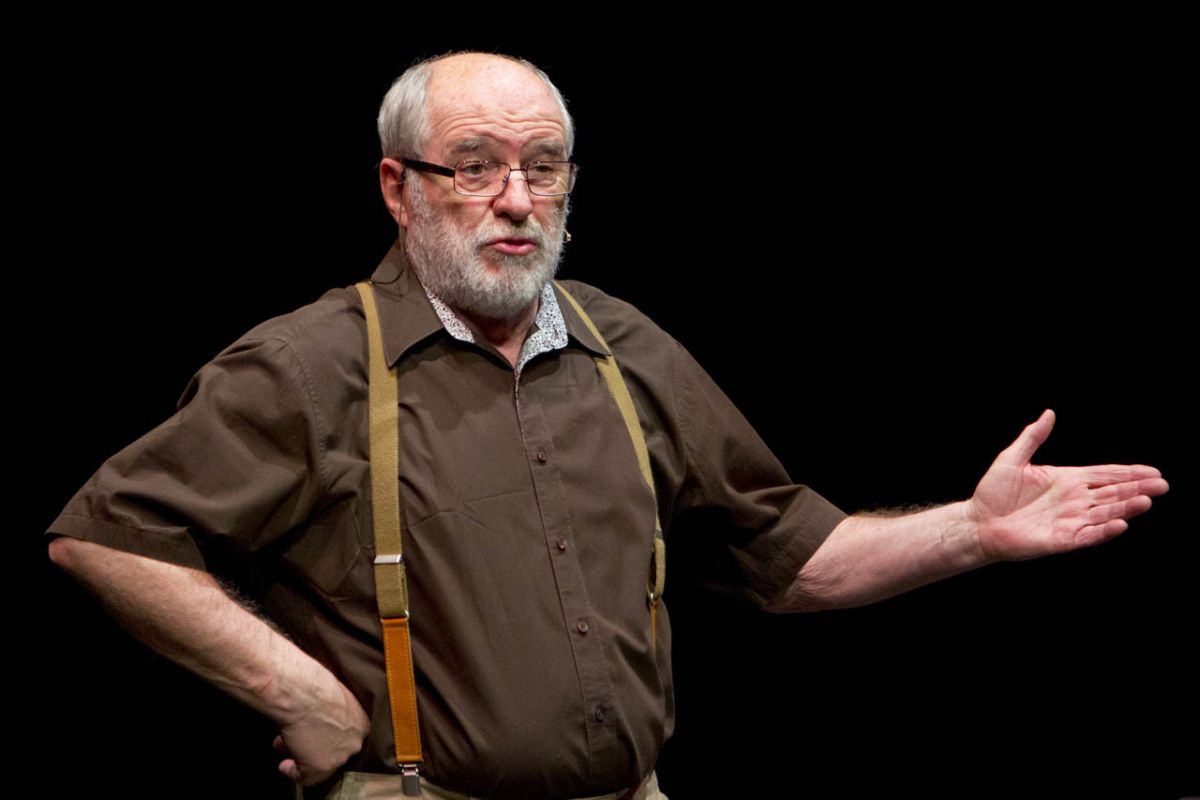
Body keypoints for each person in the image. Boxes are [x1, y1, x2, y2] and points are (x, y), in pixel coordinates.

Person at [45, 51, 1169, 800]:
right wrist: (297, 692)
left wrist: (973, 528)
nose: (517, 199)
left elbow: (794, 555)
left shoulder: (621, 343)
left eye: (543, 168)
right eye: (474, 168)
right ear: (398, 186)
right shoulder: (310, 364)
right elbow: (107, 535)